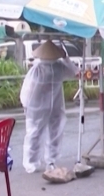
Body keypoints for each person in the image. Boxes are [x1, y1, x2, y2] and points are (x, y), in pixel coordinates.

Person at [20, 39, 79, 183]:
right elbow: (28, 89)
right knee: (39, 133)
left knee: (49, 132)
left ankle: (46, 161)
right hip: (40, 106)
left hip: (48, 106)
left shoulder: (57, 67)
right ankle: (33, 162)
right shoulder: (38, 69)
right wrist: (27, 104)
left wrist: (66, 59)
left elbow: (74, 72)